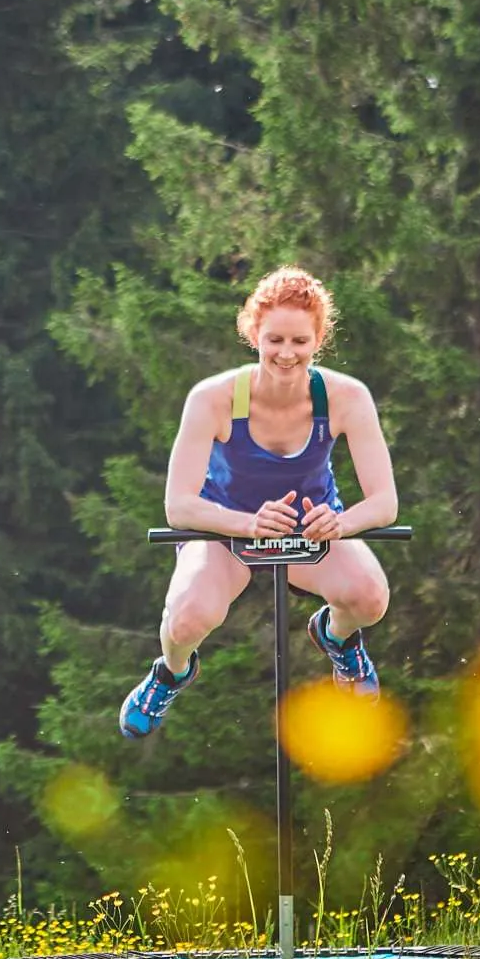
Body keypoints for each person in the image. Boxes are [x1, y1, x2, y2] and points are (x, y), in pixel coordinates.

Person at [119, 266, 398, 737]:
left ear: (319, 340)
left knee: (370, 599)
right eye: (275, 340)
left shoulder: (347, 398)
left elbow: (384, 503)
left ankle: (336, 636)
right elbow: (178, 506)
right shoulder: (213, 399)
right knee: (188, 620)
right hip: (225, 531)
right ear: (254, 336)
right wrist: (248, 524)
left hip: (308, 531)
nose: (286, 354)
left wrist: (340, 523)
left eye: (299, 341)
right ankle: (170, 672)